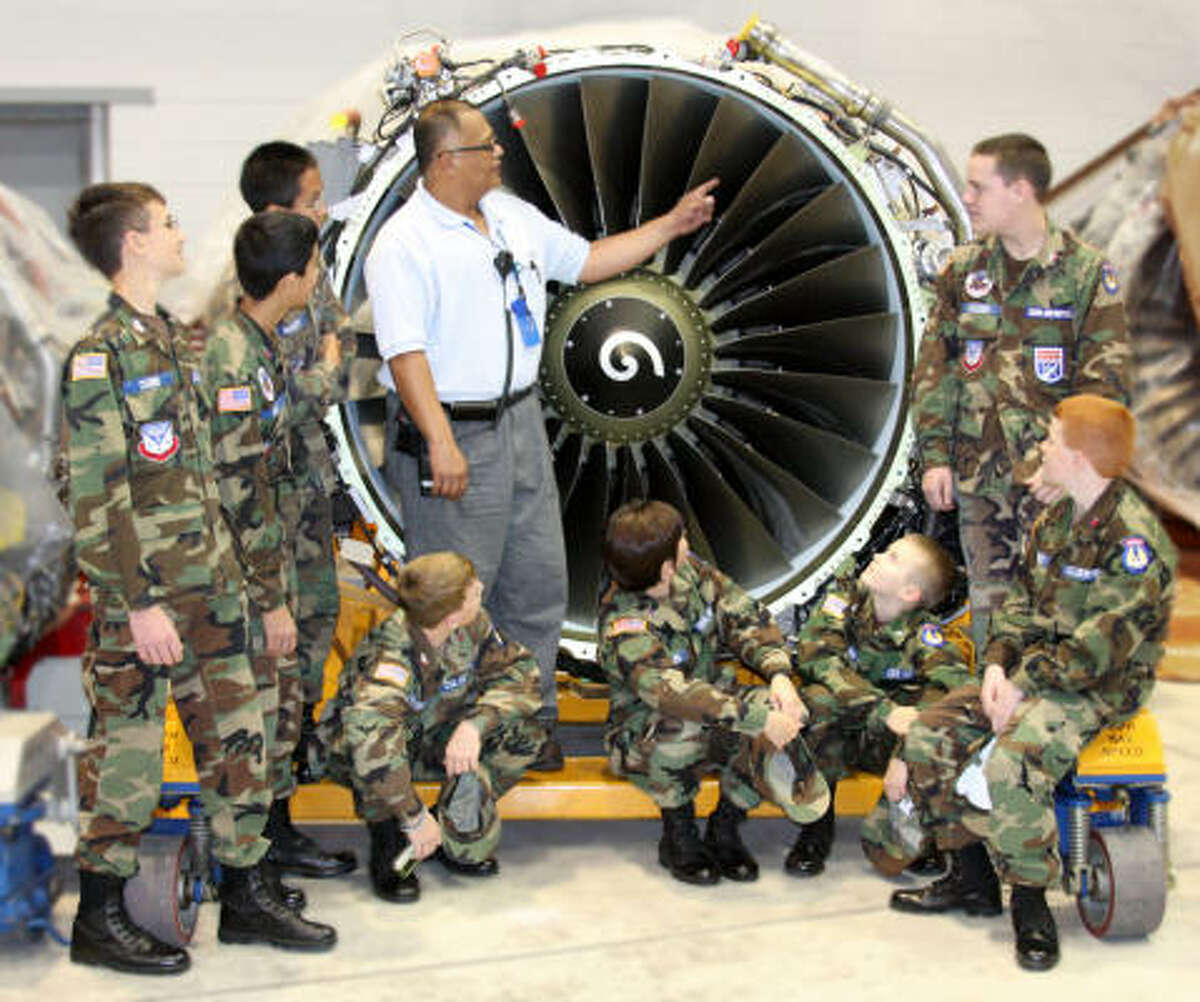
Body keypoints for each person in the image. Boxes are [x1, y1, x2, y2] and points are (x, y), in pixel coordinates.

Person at [366, 99, 717, 771]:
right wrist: (440, 441)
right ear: (445, 161)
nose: (499, 155)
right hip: (455, 430)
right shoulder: (404, 244)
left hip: (521, 420)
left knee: (536, 583)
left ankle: (527, 722)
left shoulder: (510, 217)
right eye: (485, 147)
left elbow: (587, 262)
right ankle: (450, 738)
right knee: (457, 597)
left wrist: (671, 224)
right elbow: (406, 353)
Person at [62, 184, 334, 975]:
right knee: (129, 756)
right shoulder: (100, 355)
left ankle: (246, 895)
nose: (181, 233)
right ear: (134, 244)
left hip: (212, 588)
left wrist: (252, 583)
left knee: (239, 739)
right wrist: (136, 603)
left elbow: (217, 477)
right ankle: (100, 916)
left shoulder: (181, 345)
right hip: (145, 600)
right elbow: (96, 492)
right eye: (168, 223)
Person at [891, 394, 1176, 972]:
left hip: (1097, 686)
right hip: (1033, 672)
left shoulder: (1134, 542)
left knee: (1011, 765)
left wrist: (1022, 684)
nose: (1041, 447)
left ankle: (1029, 901)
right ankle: (970, 878)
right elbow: (1020, 607)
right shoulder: (1056, 520)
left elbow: (1101, 647)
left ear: (1077, 455)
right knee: (928, 737)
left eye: (1050, 439)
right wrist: (997, 665)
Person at [911, 133, 1131, 650]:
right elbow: (934, 371)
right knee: (991, 617)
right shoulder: (963, 273)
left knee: (1062, 614)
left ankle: (1055, 724)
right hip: (979, 478)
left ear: (1021, 191)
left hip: (1057, 485)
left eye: (978, 186)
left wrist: (1073, 467)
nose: (967, 198)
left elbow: (1106, 386)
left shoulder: (1085, 273)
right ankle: (997, 722)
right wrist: (937, 456)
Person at [201, 210, 354, 898]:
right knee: (257, 717)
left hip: (271, 558)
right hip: (249, 574)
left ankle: (267, 850)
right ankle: (249, 880)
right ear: (292, 280)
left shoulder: (254, 346)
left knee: (281, 703)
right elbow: (239, 492)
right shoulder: (235, 360)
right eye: (316, 269)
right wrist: (270, 598)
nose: (320, 281)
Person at [236, 141, 358, 875]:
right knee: (275, 665)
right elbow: (269, 405)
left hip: (308, 497)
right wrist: (326, 375)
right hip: (268, 516)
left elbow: (337, 339)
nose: (322, 208)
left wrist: (325, 367)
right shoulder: (247, 298)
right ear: (279, 209)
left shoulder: (311, 282)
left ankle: (289, 794)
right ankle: (269, 829)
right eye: (313, 197)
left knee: (310, 647)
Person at [597, 500, 829, 886]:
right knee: (682, 730)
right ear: (666, 565)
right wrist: (758, 720)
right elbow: (677, 696)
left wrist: (778, 675)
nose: (687, 542)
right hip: (644, 731)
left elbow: (744, 616)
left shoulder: (693, 573)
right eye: (681, 539)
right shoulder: (625, 625)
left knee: (776, 711)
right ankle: (678, 835)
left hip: (715, 703)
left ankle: (726, 827)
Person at [330, 551, 545, 902]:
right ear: (451, 615)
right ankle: (389, 838)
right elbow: (370, 744)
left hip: (432, 734)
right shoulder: (391, 659)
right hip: (369, 755)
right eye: (472, 588)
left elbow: (522, 674)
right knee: (377, 750)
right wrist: (411, 817)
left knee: (525, 733)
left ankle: (447, 822)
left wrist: (475, 726)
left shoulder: (472, 624)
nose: (481, 587)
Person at [787, 534, 971, 878]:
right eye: (887, 551)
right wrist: (884, 710)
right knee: (818, 700)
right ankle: (816, 827)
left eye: (893, 558)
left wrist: (907, 751)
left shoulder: (924, 632)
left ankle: (911, 826)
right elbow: (818, 657)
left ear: (910, 593)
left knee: (934, 709)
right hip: (842, 734)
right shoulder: (845, 602)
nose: (878, 556)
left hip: (885, 745)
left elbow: (955, 687)